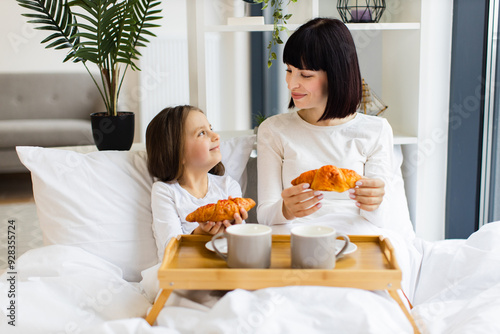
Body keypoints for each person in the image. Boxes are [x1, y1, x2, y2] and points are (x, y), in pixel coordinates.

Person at [257, 18, 392, 228]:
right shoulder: (273, 130)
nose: (291, 83)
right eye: (289, 70)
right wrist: (285, 209)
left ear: (336, 76)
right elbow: (265, 215)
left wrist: (375, 202)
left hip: (355, 240)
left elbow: (382, 220)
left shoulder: (376, 131)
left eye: (306, 75)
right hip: (295, 241)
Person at [146, 105, 248, 261]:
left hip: (224, 267)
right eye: (202, 133)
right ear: (176, 152)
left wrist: (237, 228)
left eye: (211, 128)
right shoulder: (165, 192)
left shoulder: (228, 186)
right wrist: (198, 234)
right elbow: (170, 248)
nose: (216, 136)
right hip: (182, 274)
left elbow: (242, 246)